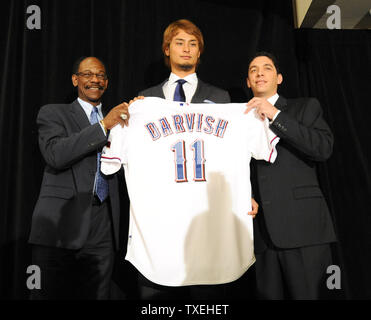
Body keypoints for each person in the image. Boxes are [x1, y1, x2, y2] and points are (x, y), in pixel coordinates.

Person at [28, 56, 130, 299]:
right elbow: (55, 155)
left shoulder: (123, 121)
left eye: (101, 75)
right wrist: (103, 125)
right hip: (59, 223)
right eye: (87, 74)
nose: (95, 79)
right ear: (75, 80)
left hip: (103, 224)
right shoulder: (53, 113)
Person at [245, 51, 337, 299]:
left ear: (279, 78)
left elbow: (322, 148)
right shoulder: (239, 118)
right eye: (254, 70)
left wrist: (275, 114)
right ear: (248, 81)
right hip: (262, 235)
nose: (260, 73)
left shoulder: (305, 107)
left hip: (304, 229)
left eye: (267, 68)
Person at [138, 19, 230, 104]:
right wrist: (124, 118)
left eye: (193, 44)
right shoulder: (146, 98)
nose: (186, 49)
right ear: (167, 50)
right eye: (180, 43)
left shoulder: (219, 98)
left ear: (199, 52)